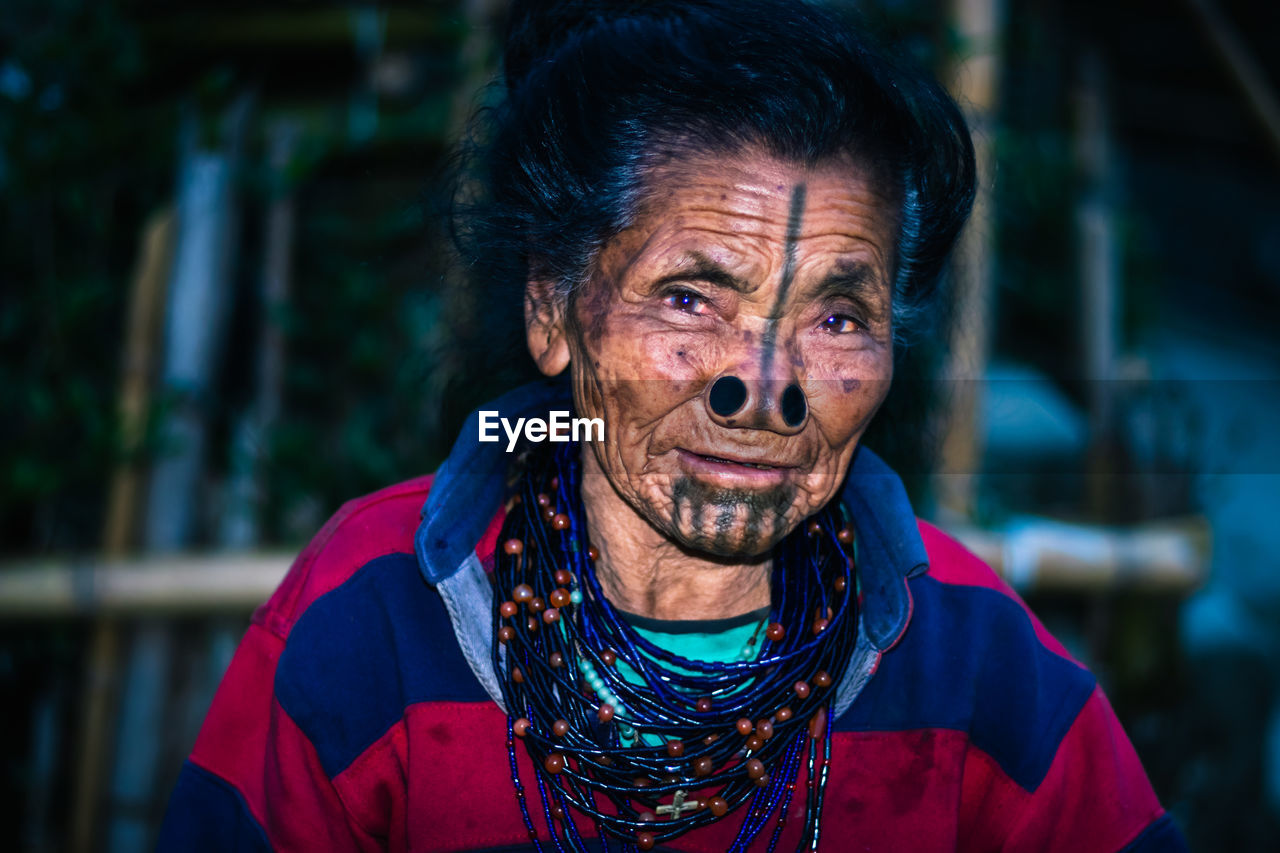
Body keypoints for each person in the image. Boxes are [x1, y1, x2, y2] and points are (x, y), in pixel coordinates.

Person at [158, 1, 1185, 850]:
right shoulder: (370, 610)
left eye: (836, 318)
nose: (764, 384)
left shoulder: (976, 662)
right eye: (690, 297)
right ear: (552, 309)